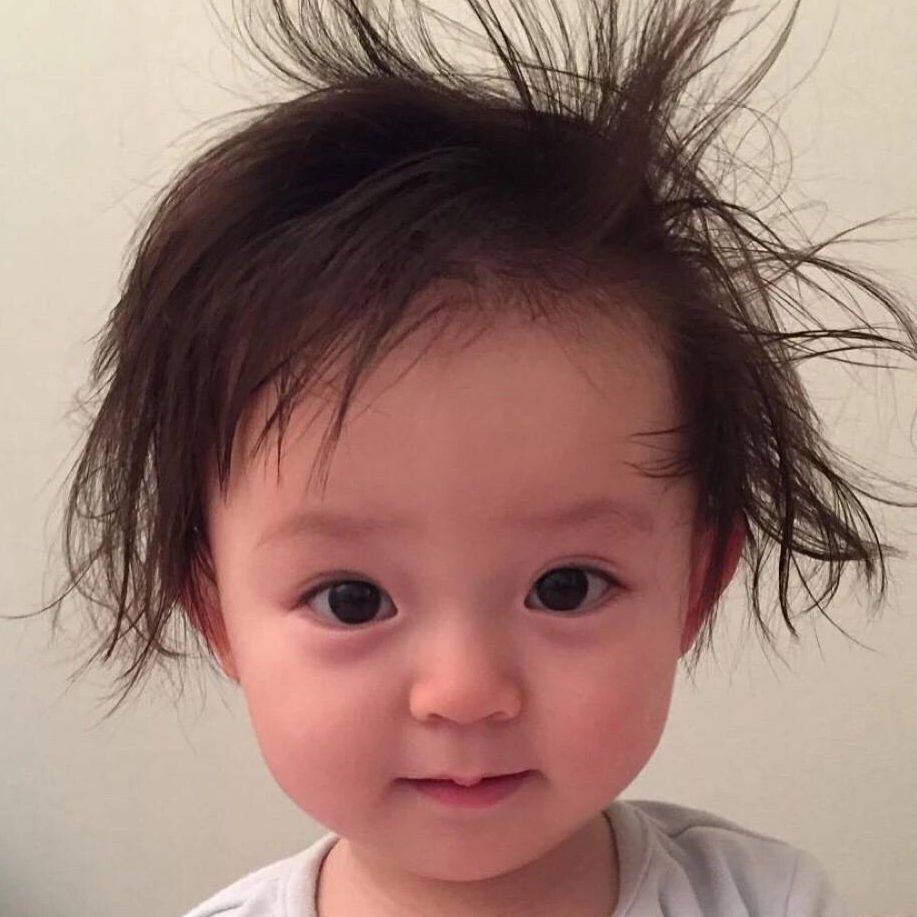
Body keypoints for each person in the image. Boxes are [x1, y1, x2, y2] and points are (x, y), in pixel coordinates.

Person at [25, 0, 917, 913]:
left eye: (565, 586)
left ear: (694, 583)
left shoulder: (764, 898)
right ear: (217, 614)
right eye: (351, 598)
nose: (464, 691)